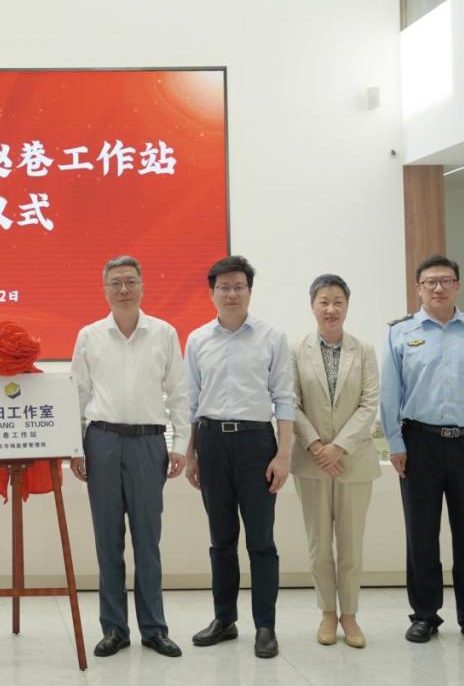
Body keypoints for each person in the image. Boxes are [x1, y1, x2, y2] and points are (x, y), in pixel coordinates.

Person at [380, 254, 464, 648]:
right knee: (421, 535)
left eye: (446, 281)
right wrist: (395, 443)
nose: (438, 288)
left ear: (458, 286)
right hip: (418, 444)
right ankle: (424, 615)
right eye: (430, 282)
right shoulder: (400, 333)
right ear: (418, 288)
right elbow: (389, 395)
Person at [70, 255, 189, 658]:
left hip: (147, 443)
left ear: (142, 286)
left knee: (147, 540)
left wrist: (180, 445)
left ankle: (154, 629)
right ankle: (114, 629)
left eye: (130, 282)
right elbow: (78, 394)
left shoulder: (164, 333)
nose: (124, 289)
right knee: (107, 540)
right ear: (104, 289)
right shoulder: (89, 335)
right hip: (101, 441)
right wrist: (74, 447)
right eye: (116, 283)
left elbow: (179, 394)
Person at [184, 255, 294, 659]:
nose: (231, 293)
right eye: (224, 287)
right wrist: (191, 453)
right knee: (221, 540)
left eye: (238, 286)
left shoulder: (271, 337)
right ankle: (224, 619)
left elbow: (285, 398)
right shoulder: (197, 339)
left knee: (261, 541)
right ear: (212, 292)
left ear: (249, 291)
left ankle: (265, 626)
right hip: (212, 443)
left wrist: (283, 455)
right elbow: (192, 402)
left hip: (256, 444)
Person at [290, 274, 381, 648]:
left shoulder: (364, 350)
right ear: (312, 306)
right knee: (319, 544)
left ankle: (351, 616)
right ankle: (327, 612)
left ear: (347, 306)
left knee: (351, 544)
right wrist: (316, 446)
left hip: (353, 462)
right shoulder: (296, 351)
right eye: (324, 301)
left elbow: (369, 404)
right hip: (311, 463)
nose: (331, 309)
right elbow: (291, 403)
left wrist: (338, 447)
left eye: (338, 302)